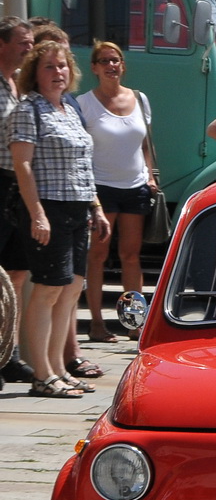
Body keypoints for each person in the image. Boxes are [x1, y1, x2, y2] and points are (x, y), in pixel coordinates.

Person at [9, 41, 109, 399]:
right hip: (48, 206)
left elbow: (84, 163)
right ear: (35, 72)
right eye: (49, 67)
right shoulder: (28, 109)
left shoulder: (71, 107)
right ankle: (42, 374)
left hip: (77, 206)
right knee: (48, 289)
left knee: (69, 291)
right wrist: (37, 213)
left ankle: (58, 368)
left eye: (63, 66)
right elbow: (22, 165)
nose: (58, 73)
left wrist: (95, 207)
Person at [75, 42, 156, 343]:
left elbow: (145, 144)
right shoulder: (84, 103)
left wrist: (149, 174)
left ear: (123, 65)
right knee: (97, 255)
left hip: (135, 186)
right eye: (104, 61)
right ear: (94, 68)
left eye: (116, 60)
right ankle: (97, 324)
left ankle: (134, 323)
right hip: (101, 188)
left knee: (131, 256)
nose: (111, 66)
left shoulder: (140, 99)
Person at [0, 16, 35, 383]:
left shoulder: (20, 86)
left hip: (19, 184)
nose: (29, 47)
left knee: (18, 272)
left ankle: (7, 352)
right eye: (23, 41)